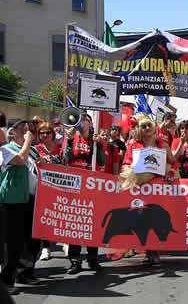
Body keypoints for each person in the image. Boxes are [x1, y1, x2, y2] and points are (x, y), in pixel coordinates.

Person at [0, 119, 45, 293]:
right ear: (11, 133)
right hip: (13, 200)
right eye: (21, 129)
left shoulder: (31, 150)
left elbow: (35, 164)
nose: (26, 131)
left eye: (27, 128)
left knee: (31, 239)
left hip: (31, 199)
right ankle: (6, 280)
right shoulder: (6, 149)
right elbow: (20, 160)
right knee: (13, 242)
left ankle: (26, 272)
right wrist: (27, 142)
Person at [121, 113, 175, 265]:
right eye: (143, 126)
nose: (146, 129)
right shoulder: (133, 145)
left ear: (153, 128)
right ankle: (147, 252)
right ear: (139, 129)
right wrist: (131, 172)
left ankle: (155, 251)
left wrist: (170, 172)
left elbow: (174, 163)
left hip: (158, 189)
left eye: (148, 126)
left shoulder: (162, 145)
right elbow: (125, 164)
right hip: (141, 189)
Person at [62, 112, 106, 274]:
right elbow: (66, 159)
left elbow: (102, 161)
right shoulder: (71, 139)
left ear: (89, 123)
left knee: (92, 225)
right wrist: (69, 140)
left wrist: (99, 145)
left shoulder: (94, 140)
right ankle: (74, 260)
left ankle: (92, 258)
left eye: (84, 120)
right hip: (75, 187)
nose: (80, 123)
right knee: (76, 224)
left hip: (91, 188)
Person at [35, 122, 61, 261]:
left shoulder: (60, 148)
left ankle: (64, 242)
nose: (45, 135)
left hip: (59, 187)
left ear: (53, 134)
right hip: (42, 187)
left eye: (48, 133)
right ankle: (46, 247)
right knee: (44, 218)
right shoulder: (35, 149)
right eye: (42, 133)